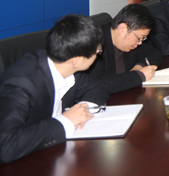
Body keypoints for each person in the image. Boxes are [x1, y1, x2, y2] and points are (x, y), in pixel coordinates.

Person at [0, 15, 109, 163]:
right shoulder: (20, 83)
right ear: (76, 61)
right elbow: (7, 146)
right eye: (97, 52)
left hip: (54, 154)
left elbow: (98, 88)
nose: (98, 55)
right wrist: (66, 121)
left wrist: (84, 110)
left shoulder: (68, 67)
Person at [88, 4, 163, 94]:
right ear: (122, 28)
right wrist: (139, 76)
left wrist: (139, 66)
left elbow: (154, 53)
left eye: (142, 39)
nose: (140, 43)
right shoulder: (94, 44)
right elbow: (98, 84)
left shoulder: (129, 43)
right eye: (139, 38)